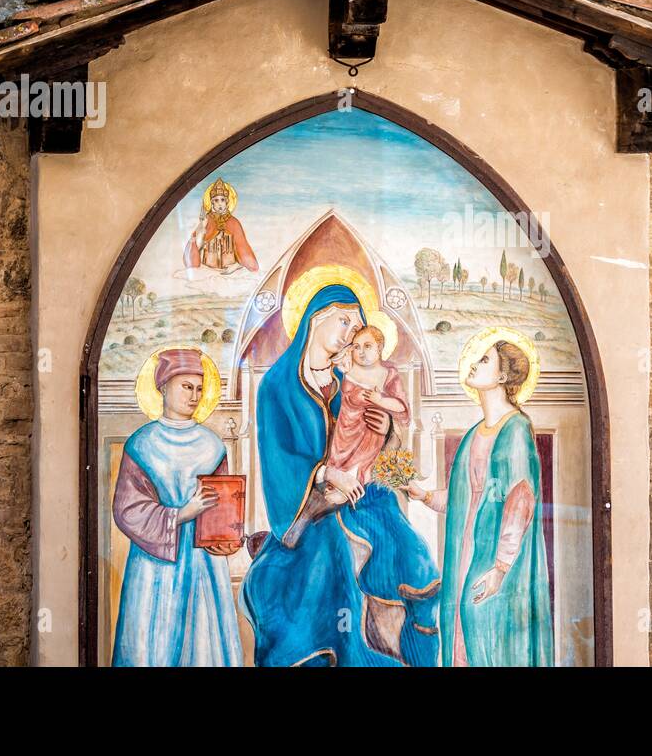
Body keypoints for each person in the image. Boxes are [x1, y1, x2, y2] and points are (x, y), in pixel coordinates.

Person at [241, 279, 440, 666]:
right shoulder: (279, 386)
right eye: (345, 322)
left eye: (357, 326)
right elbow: (280, 457)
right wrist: (328, 475)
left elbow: (384, 449)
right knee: (328, 575)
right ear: (316, 318)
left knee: (415, 562)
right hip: (310, 509)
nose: (351, 334)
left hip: (364, 496)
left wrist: (388, 432)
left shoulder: (347, 379)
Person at [408, 335, 552, 666]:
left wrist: (500, 568)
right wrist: (425, 495)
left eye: (485, 359)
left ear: (503, 377)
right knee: (461, 635)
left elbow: (520, 502)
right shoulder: (475, 433)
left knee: (489, 635)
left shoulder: (515, 429)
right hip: (466, 556)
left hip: (497, 561)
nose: (475, 363)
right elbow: (464, 501)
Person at [111, 347, 243, 666]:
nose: (195, 396)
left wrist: (225, 535)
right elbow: (127, 510)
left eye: (199, 389)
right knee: (152, 643)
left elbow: (222, 509)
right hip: (154, 566)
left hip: (202, 564)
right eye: (186, 387)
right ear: (164, 387)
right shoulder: (142, 444)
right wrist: (181, 514)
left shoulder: (212, 445)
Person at [323, 324, 409, 506]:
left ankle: (354, 484)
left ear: (380, 348)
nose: (361, 352)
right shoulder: (346, 370)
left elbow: (401, 406)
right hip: (345, 427)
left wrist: (380, 400)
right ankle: (336, 485)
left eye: (367, 346)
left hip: (370, 429)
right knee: (338, 455)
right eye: (356, 347)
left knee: (365, 458)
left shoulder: (388, 374)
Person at [184, 177, 258, 272]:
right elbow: (195, 247)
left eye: (222, 200)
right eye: (216, 200)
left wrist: (236, 266)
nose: (219, 203)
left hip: (230, 272)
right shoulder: (207, 221)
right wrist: (202, 227)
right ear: (212, 203)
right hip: (207, 271)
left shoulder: (234, 223)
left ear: (227, 202)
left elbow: (243, 250)